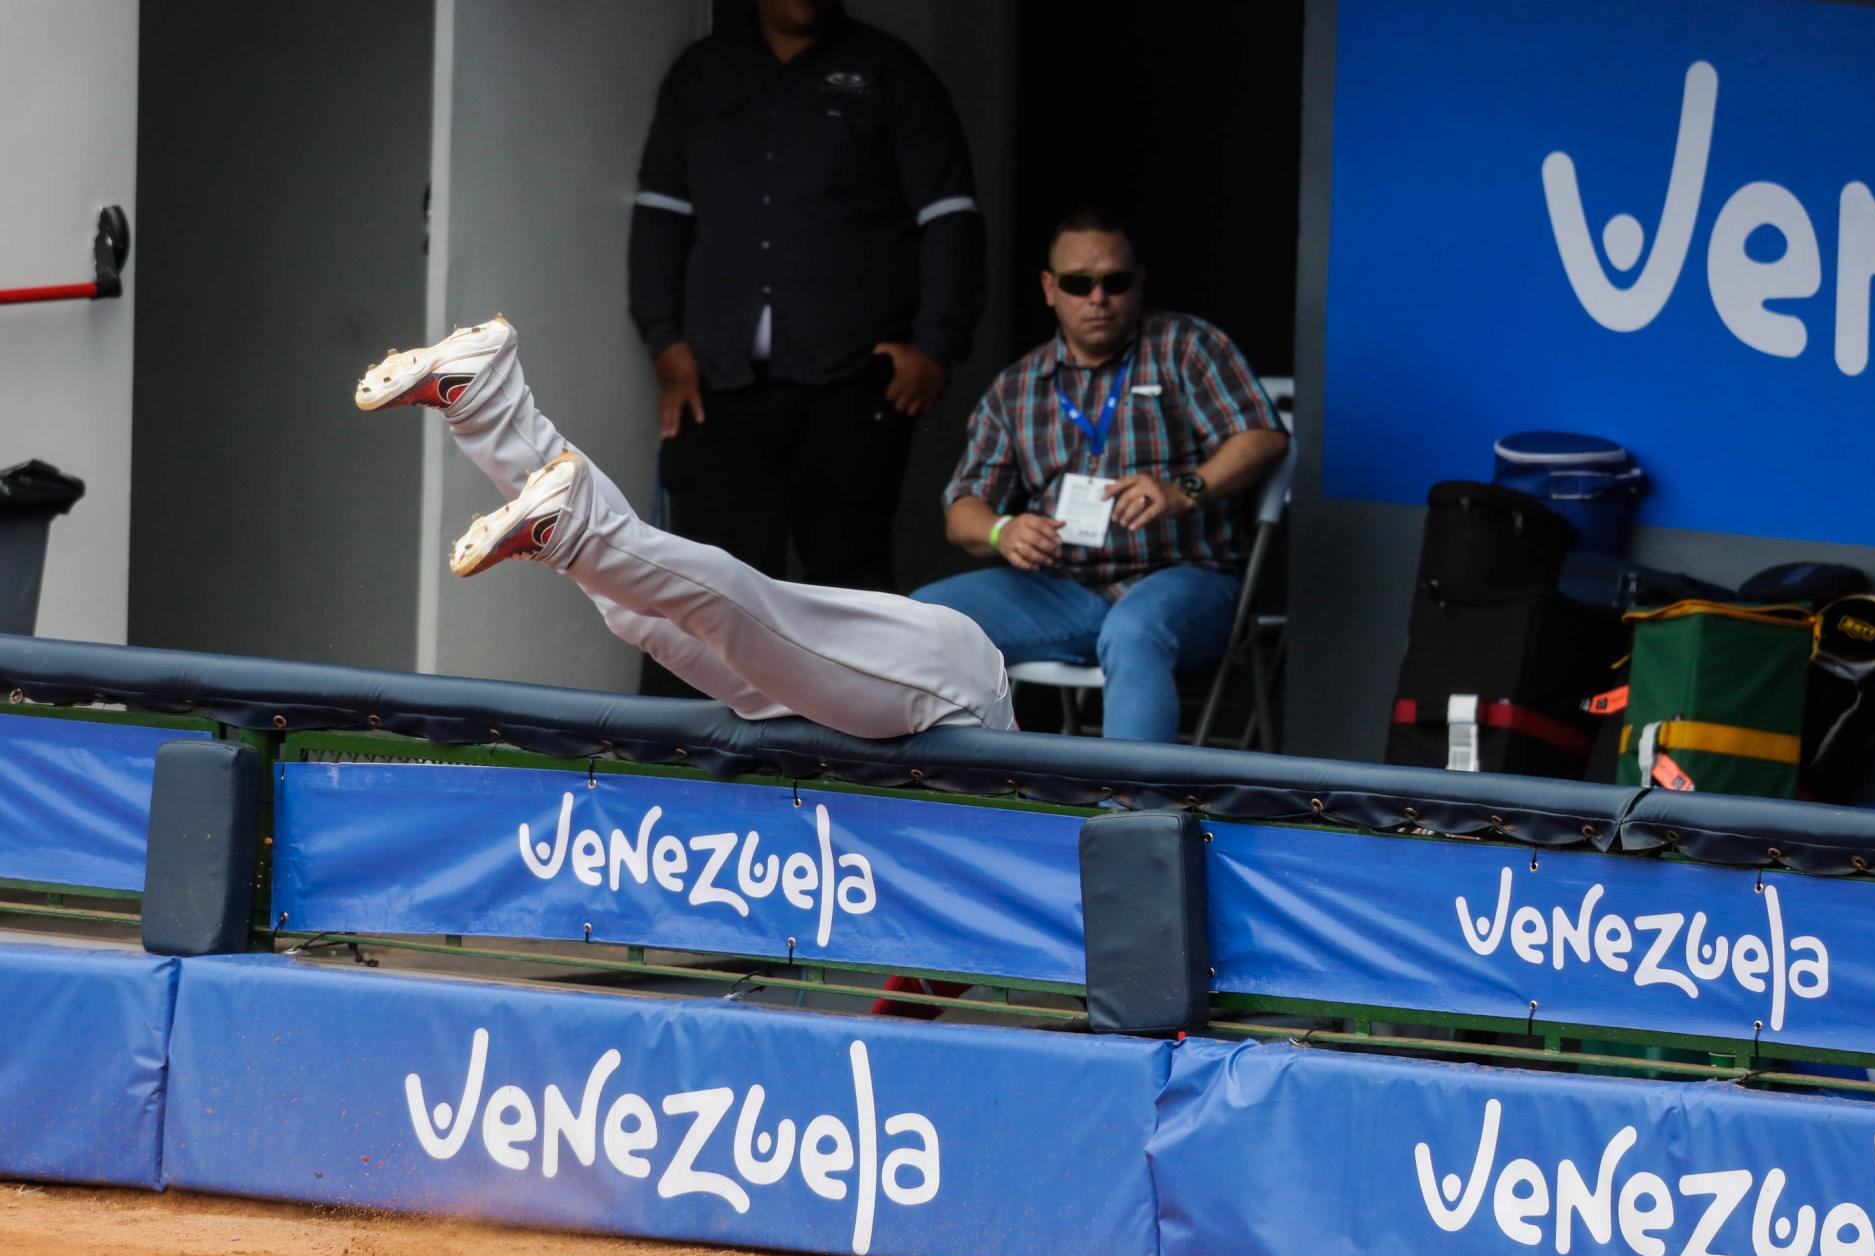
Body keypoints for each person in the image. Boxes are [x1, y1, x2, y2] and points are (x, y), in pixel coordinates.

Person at [354, 317, 1011, 738]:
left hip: (843, 714)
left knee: (641, 617)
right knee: (751, 616)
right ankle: (572, 520)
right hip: (960, 690)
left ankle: (487, 401)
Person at [628, 0, 984, 600]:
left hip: (854, 384)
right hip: (719, 383)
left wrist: (937, 346)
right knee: (709, 590)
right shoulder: (703, 73)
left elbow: (951, 218)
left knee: (850, 589)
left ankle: (848, 702)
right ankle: (711, 703)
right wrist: (664, 339)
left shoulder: (890, 71)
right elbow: (661, 215)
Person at [911, 210, 1289, 743]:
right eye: (1077, 283)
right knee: (925, 617)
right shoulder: (1019, 387)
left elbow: (1264, 437)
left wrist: (1184, 489)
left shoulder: (1185, 346)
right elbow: (963, 511)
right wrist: (1004, 531)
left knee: (1132, 632)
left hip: (1181, 577)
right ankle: (947, 789)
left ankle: (1130, 814)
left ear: (1138, 282)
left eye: (1114, 282)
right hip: (1063, 586)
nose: (1097, 297)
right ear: (1049, 288)